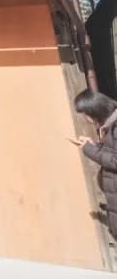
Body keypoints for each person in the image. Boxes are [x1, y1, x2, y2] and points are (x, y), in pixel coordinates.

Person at [74, 89, 117, 238]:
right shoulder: (110, 126)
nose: (86, 118)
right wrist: (94, 145)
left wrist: (89, 150)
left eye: (86, 114)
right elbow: (112, 152)